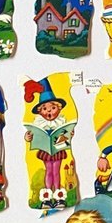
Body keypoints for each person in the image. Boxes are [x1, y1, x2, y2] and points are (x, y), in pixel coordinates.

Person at [24, 78, 72, 208]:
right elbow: (32, 136)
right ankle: (47, 197)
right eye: (45, 108)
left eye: (53, 107)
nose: (49, 111)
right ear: (40, 111)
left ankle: (58, 196)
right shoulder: (40, 123)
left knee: (56, 171)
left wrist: (69, 135)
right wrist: (28, 137)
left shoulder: (60, 122)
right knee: (48, 171)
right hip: (45, 150)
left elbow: (66, 136)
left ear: (59, 108)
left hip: (57, 150)